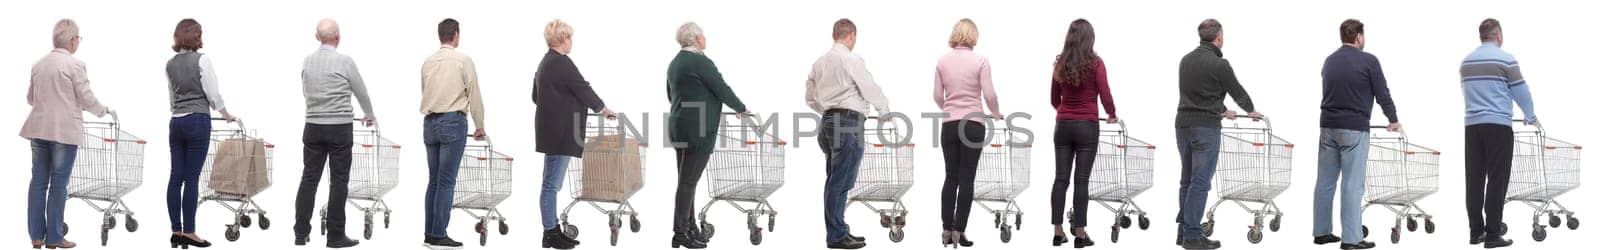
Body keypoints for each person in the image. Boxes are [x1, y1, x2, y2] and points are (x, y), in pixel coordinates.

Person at [22, 19, 114, 250]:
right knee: (58, 185)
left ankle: (36, 237)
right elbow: (86, 98)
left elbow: (30, 99)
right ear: (73, 40)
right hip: (64, 131)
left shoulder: (38, 64)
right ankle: (54, 238)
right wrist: (103, 110)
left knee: (38, 183)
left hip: (38, 129)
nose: (78, 42)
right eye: (78, 38)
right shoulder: (75, 65)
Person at [1174, 19, 1259, 250]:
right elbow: (1237, 91)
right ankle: (1192, 236)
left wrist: (1222, 110)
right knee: (1200, 183)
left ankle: (1183, 233)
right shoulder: (1220, 64)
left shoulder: (1185, 60)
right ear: (1218, 37)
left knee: (1187, 181)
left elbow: (1196, 93)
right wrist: (1250, 110)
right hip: (1205, 128)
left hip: (1182, 126)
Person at [1312, 19, 1396, 250]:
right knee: (1352, 184)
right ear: (1358, 36)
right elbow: (1382, 93)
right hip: (1354, 129)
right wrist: (1393, 119)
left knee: (1325, 182)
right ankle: (1351, 238)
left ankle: (1321, 232)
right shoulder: (1368, 60)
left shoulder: (1329, 61)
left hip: (1327, 127)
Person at [666, 21, 749, 249]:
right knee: (687, 183)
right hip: (698, 130)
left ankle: (690, 228)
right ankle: (680, 234)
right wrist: (741, 108)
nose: (705, 38)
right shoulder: (700, 61)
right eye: (703, 35)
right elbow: (721, 88)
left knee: (685, 182)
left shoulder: (674, 63)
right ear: (695, 39)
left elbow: (670, 94)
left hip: (678, 126)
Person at [807, 18, 889, 250]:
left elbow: (810, 97)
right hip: (848, 124)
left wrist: (828, 110)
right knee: (840, 182)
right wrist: (884, 111)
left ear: (834, 34)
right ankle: (836, 236)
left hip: (828, 123)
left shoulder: (819, 63)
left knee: (835, 180)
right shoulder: (851, 59)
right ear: (851, 35)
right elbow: (870, 87)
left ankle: (839, 230)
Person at [532, 19, 614, 250]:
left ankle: (552, 230)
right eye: (569, 37)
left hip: (551, 132)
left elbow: (535, 96)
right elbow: (582, 87)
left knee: (550, 184)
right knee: (551, 185)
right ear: (562, 39)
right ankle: (550, 232)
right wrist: (602, 108)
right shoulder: (561, 63)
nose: (571, 42)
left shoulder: (545, 62)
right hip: (561, 133)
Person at [292, 18, 373, 248]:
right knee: (339, 181)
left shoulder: (307, 61)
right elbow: (361, 92)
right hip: (339, 127)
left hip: (313, 126)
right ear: (338, 37)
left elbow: (306, 90)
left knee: (309, 178)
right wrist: (369, 115)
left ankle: (300, 232)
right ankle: (335, 236)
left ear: (317, 37)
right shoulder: (344, 61)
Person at [1460, 18, 1532, 249]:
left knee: (1474, 178)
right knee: (1497, 179)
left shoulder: (1466, 62)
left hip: (1472, 127)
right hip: (1498, 126)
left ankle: (1475, 231)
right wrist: (1530, 116)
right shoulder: (1506, 59)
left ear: (1481, 36)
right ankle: (1493, 234)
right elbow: (1522, 92)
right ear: (1498, 35)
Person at [1048, 18, 1116, 249]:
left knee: (1060, 179)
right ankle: (1080, 233)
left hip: (1063, 126)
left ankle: (1057, 232)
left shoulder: (1060, 64)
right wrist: (1112, 113)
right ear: (1090, 38)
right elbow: (1105, 93)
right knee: (1081, 180)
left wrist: (1066, 112)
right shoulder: (1096, 63)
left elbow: (1054, 99)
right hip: (1087, 126)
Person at [419, 18, 486, 250]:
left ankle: (429, 233)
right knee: (447, 182)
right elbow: (474, 93)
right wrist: (480, 124)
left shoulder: (428, 62)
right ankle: (439, 234)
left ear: (440, 36)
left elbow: (424, 91)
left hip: (429, 123)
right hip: (452, 122)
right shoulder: (462, 60)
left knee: (434, 181)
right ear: (456, 35)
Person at [930, 18, 997, 249]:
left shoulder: (942, 61)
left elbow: (938, 96)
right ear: (973, 36)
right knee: (967, 178)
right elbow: (988, 94)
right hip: (973, 124)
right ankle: (960, 230)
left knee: (951, 177)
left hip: (949, 124)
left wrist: (950, 109)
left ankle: (946, 230)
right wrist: (995, 113)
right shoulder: (981, 61)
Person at [166, 18, 232, 249]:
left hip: (176, 122)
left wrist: (179, 110)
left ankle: (176, 232)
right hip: (197, 121)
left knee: (175, 179)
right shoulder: (202, 60)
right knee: (191, 178)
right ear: (196, 36)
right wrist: (225, 113)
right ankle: (190, 232)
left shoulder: (170, 63)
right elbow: (212, 93)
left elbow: (172, 97)